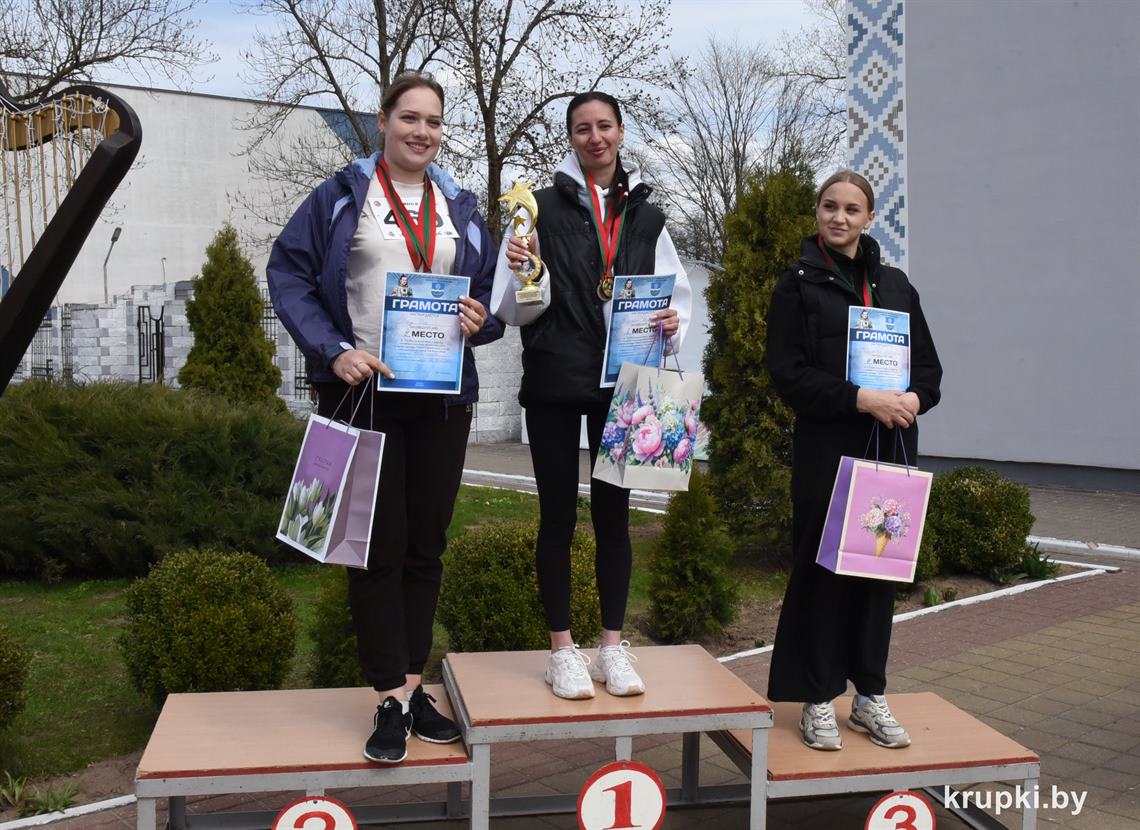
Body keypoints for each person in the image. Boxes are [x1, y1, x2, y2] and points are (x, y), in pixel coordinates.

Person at [267, 72, 502, 763]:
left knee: (426, 545)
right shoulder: (342, 196)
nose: (422, 132)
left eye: (434, 121)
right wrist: (332, 349)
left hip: (441, 397)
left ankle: (414, 686)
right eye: (410, 118)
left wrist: (482, 319)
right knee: (372, 548)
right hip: (362, 393)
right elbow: (288, 273)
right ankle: (387, 699)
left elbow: (492, 296)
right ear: (383, 121)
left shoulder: (459, 207)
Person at [497, 91, 692, 700]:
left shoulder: (647, 216)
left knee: (614, 518)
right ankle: (562, 651)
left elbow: (676, 295)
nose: (595, 137)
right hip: (556, 380)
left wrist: (672, 321)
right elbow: (511, 308)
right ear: (571, 137)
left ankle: (611, 647)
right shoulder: (536, 210)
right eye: (582, 128)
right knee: (557, 515)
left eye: (604, 126)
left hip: (624, 386)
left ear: (621, 132)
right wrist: (524, 273)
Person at [765, 170, 942, 751]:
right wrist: (861, 399)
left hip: (891, 448)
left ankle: (869, 696)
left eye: (851, 209)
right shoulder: (797, 285)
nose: (838, 217)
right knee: (823, 575)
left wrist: (912, 399)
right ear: (817, 212)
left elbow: (929, 371)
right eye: (829, 206)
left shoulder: (896, 285)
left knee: (878, 574)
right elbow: (788, 375)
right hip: (828, 451)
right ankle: (818, 698)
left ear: (869, 217)